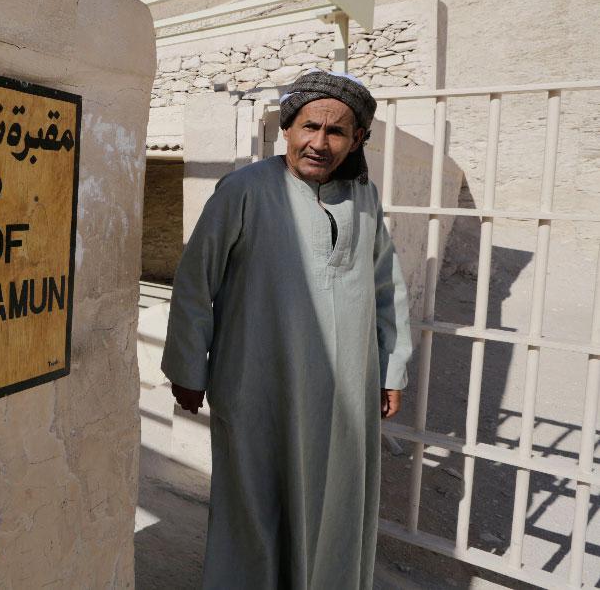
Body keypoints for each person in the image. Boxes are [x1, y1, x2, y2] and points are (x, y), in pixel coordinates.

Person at [161, 69, 413, 589]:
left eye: (337, 132)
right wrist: (188, 367)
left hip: (346, 390)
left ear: (358, 139)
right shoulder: (245, 190)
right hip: (259, 383)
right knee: (256, 504)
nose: (320, 143)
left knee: (338, 500)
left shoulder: (365, 198)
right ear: (287, 128)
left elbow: (388, 286)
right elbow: (195, 282)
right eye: (309, 127)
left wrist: (392, 369)